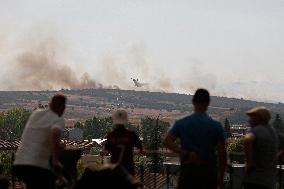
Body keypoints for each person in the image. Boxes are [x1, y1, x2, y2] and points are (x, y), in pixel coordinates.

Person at [163, 88, 227, 189]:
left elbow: (167, 142)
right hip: (209, 174)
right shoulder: (216, 126)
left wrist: (186, 153)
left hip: (188, 172)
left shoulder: (181, 123)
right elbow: (223, 154)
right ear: (208, 103)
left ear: (193, 101)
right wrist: (220, 177)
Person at [13, 94, 67, 189]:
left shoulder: (35, 114)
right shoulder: (57, 119)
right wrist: (55, 161)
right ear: (62, 107)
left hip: (19, 165)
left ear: (50, 104)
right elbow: (55, 133)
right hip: (36, 166)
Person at [243, 107, 278, 189]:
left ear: (259, 118)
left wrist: (249, 162)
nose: (249, 120)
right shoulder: (273, 132)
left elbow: (248, 139)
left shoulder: (257, 129)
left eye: (252, 117)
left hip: (254, 179)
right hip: (269, 180)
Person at [104, 109, 143, 176]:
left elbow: (106, 151)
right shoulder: (131, 134)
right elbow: (140, 149)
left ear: (115, 119)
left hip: (115, 170)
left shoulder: (111, 135)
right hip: (128, 169)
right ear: (126, 120)